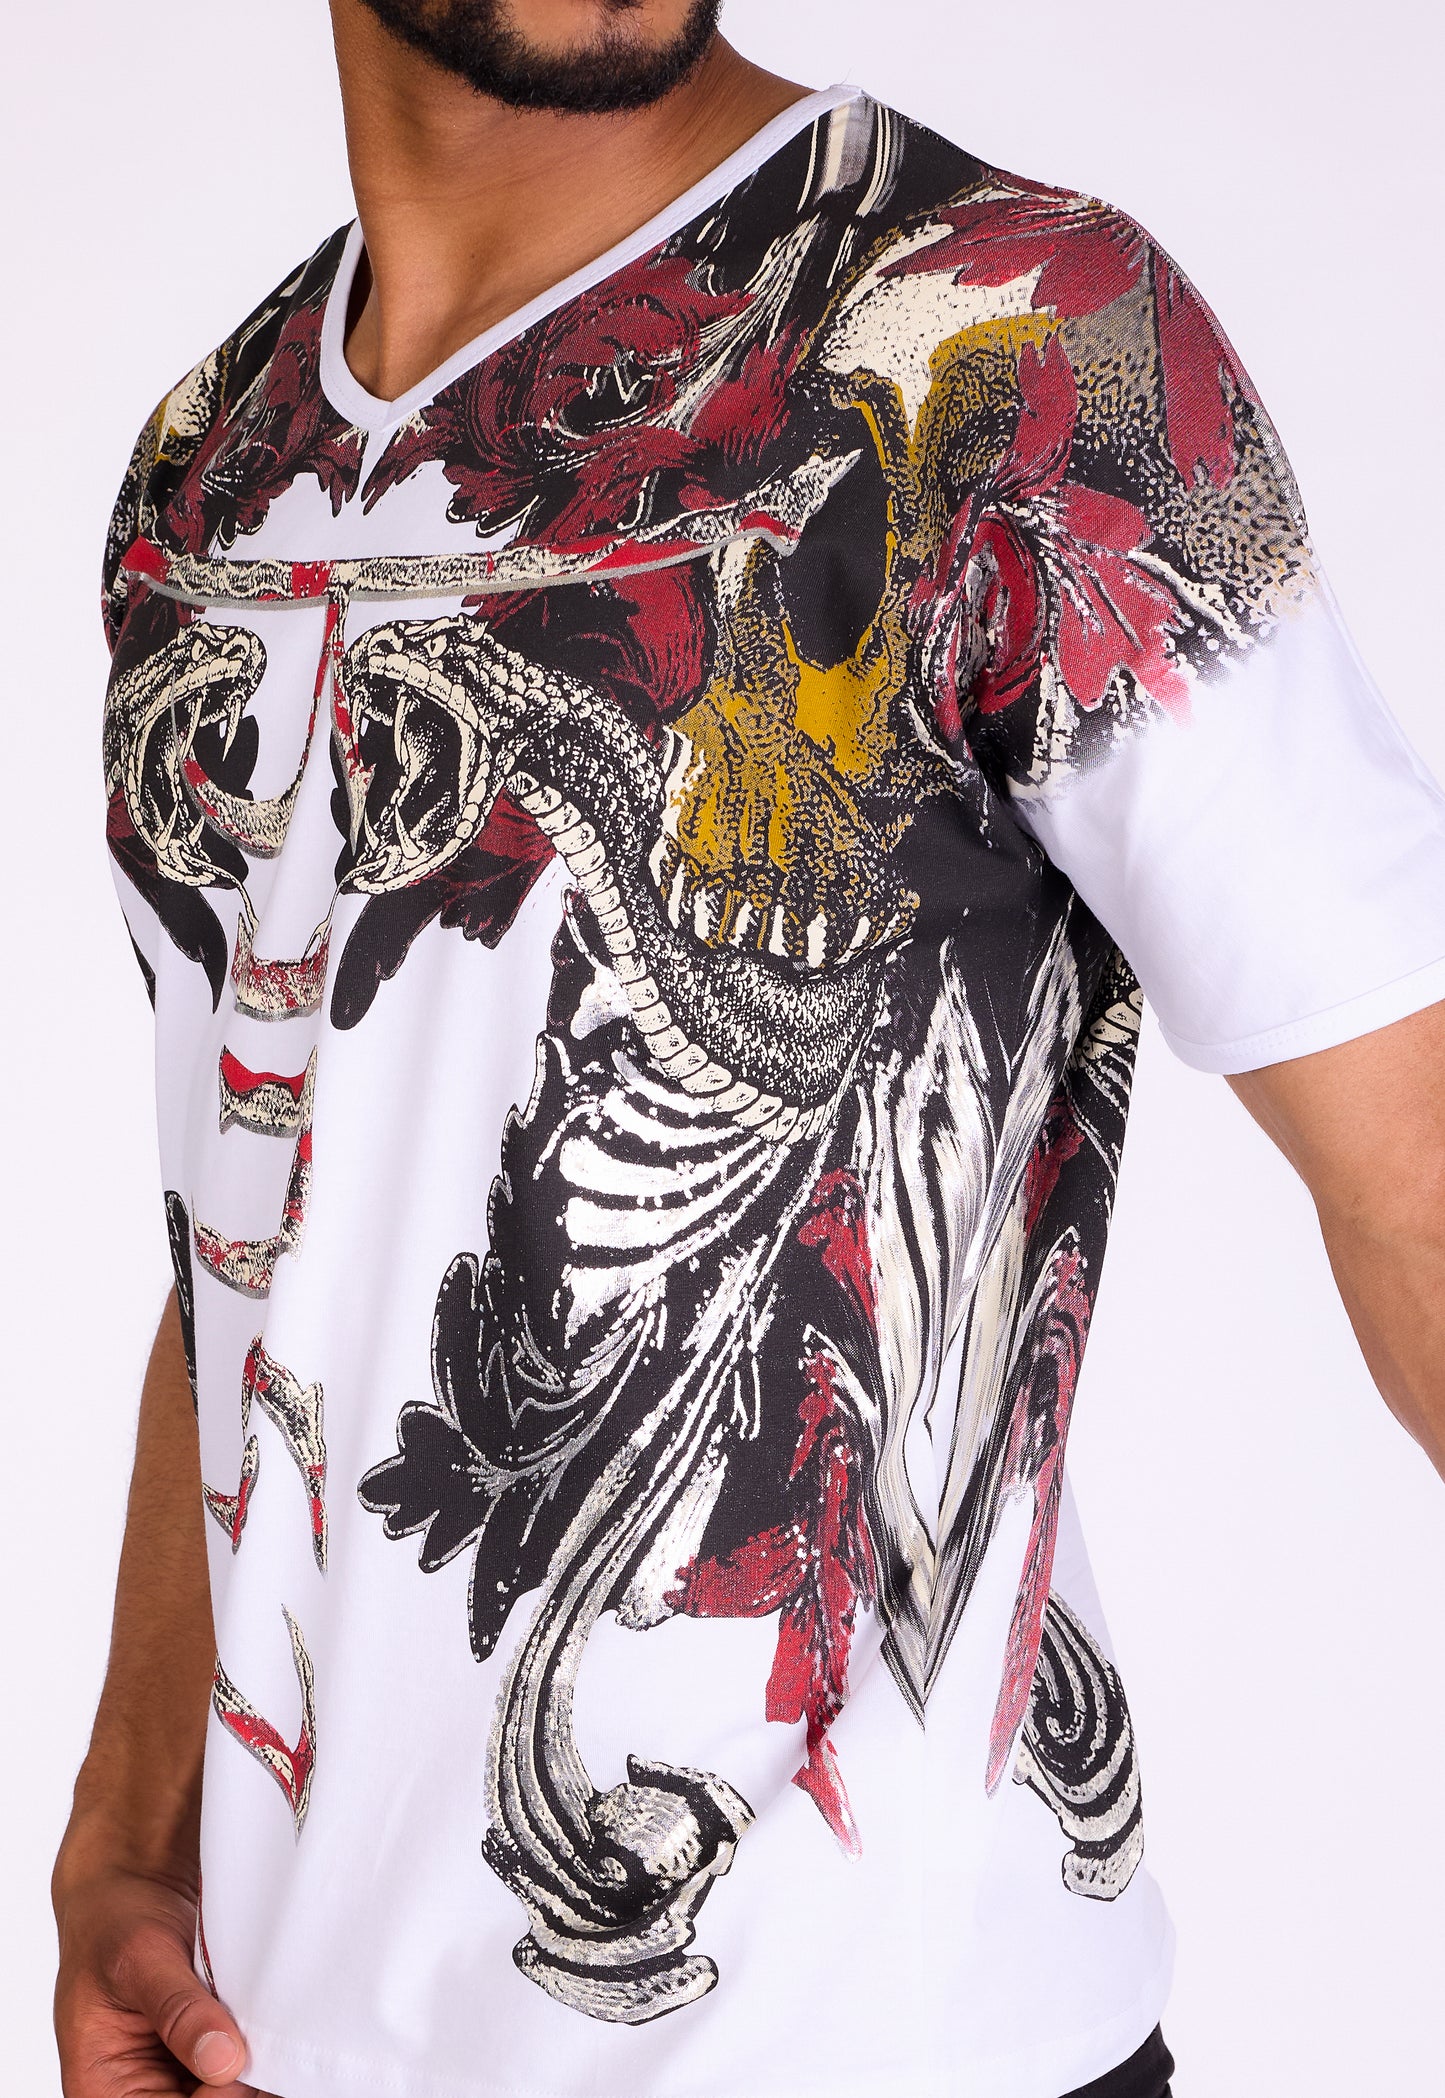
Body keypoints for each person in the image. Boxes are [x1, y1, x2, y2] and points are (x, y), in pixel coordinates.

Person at [51, 2, 1445, 2095]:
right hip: (293, 2047)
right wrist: (129, 1838)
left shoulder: (1023, 336)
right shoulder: (206, 477)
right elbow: (259, 1230)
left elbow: (1413, 1159)